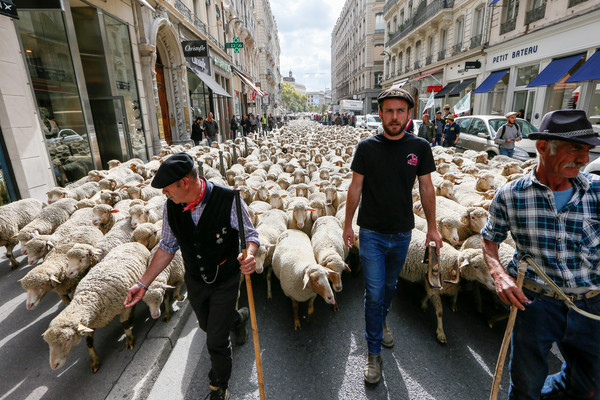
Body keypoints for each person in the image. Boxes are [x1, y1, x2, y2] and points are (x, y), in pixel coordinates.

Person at [481, 109, 600, 400]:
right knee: (525, 385)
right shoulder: (511, 195)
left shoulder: (597, 192)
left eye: (587, 151)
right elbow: (489, 238)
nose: (584, 159)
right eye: (575, 149)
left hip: (590, 303)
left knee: (590, 387)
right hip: (534, 303)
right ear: (543, 147)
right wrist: (499, 275)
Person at [124, 153, 259, 400]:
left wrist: (249, 255)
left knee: (216, 342)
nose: (166, 195)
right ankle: (238, 320)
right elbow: (166, 246)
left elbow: (251, 236)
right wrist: (142, 284)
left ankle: (218, 386)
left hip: (225, 278)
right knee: (208, 326)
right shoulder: (171, 208)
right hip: (195, 279)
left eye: (167, 190)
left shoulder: (228, 199)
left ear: (184, 182)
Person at [342, 87, 442, 385]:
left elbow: (426, 187)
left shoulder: (420, 147)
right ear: (381, 114)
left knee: (388, 285)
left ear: (409, 114)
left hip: (402, 233)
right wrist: (348, 224)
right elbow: (355, 187)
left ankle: (382, 318)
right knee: (373, 292)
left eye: (400, 111)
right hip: (371, 231)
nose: (394, 116)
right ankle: (373, 353)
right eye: (389, 111)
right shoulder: (366, 147)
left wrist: (434, 227)